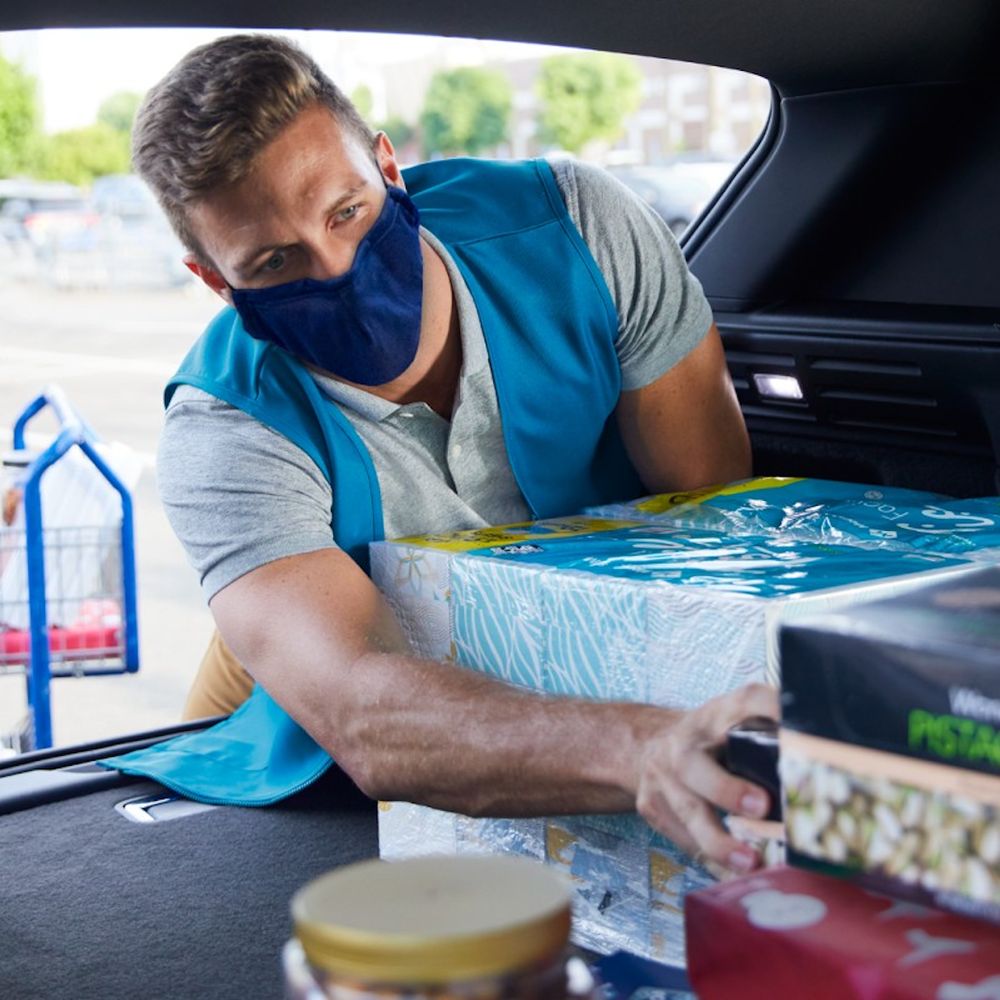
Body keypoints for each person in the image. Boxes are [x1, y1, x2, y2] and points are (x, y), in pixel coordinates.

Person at [125, 33, 777, 874]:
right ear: (217, 282)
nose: (338, 268)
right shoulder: (226, 428)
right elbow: (359, 709)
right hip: (317, 691)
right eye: (276, 261)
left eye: (347, 212)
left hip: (612, 693)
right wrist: (645, 749)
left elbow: (716, 529)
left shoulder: (579, 230)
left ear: (388, 167)